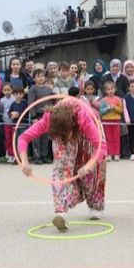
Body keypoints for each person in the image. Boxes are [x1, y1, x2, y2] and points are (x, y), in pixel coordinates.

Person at [18, 98, 107, 231]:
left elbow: (101, 147)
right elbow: (23, 138)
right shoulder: (49, 119)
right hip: (63, 129)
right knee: (61, 167)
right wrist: (24, 161)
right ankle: (61, 211)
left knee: (90, 170)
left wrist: (88, 165)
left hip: (88, 133)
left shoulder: (83, 117)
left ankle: (94, 203)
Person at [27, 68, 54, 165]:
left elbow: (52, 102)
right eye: (38, 76)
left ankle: (45, 155)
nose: (40, 78)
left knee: (46, 137)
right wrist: (33, 116)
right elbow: (30, 103)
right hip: (37, 116)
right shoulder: (33, 88)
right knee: (36, 137)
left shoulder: (49, 89)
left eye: (42, 76)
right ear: (34, 78)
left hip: (47, 116)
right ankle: (37, 156)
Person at [99, 81, 122, 161]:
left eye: (112, 89)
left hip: (116, 120)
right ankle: (109, 153)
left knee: (116, 138)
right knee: (108, 138)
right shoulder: (103, 100)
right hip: (106, 120)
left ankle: (116, 153)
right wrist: (107, 108)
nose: (110, 91)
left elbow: (121, 110)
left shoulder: (118, 99)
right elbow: (101, 111)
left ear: (115, 89)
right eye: (108, 89)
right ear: (105, 91)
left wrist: (114, 108)